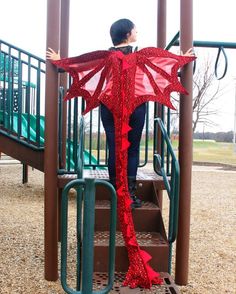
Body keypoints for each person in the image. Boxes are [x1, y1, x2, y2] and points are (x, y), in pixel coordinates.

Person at [46, 18, 194, 210]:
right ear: (128, 34)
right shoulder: (142, 57)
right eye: (135, 30)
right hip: (136, 107)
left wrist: (59, 61)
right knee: (131, 149)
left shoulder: (105, 58)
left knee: (114, 147)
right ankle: (129, 195)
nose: (137, 33)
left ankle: (116, 193)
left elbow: (81, 64)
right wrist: (182, 60)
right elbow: (163, 63)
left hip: (109, 107)